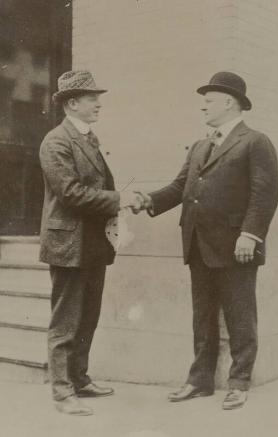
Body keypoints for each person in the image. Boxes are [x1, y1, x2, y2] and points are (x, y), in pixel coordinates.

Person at [137, 71, 278, 409]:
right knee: (201, 317)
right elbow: (179, 187)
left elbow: (265, 194)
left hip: (237, 247)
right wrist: (146, 200)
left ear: (229, 102)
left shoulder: (255, 141)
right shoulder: (201, 145)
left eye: (209, 101)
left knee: (240, 316)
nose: (203, 108)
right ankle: (199, 381)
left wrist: (250, 234)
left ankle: (239, 383)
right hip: (198, 243)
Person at [39, 70, 141, 415]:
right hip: (68, 245)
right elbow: (70, 193)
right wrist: (118, 200)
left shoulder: (87, 137)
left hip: (93, 243)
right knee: (66, 320)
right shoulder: (56, 141)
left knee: (88, 316)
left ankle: (79, 378)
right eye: (91, 98)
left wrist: (115, 205)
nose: (98, 103)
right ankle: (62, 391)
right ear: (72, 103)